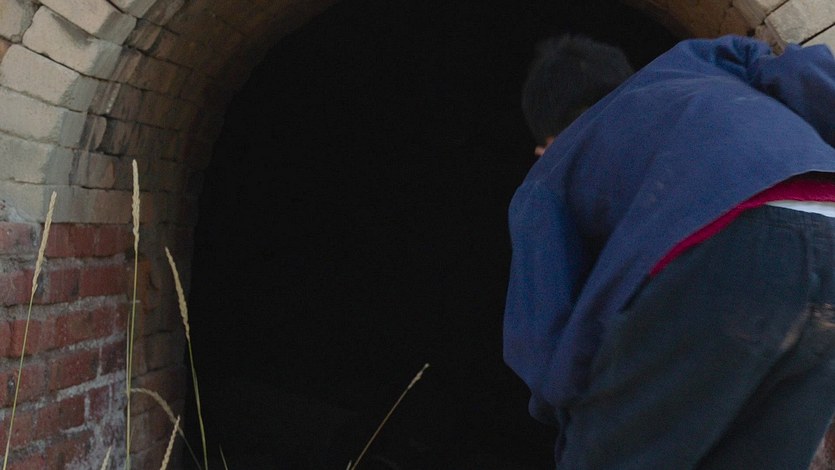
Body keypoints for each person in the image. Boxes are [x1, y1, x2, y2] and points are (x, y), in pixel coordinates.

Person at [504, 33, 835, 468]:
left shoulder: (551, 170)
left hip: (721, 245)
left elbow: (543, 342)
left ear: (546, 140)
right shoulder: (704, 61)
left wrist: (586, 423)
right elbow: (805, 71)